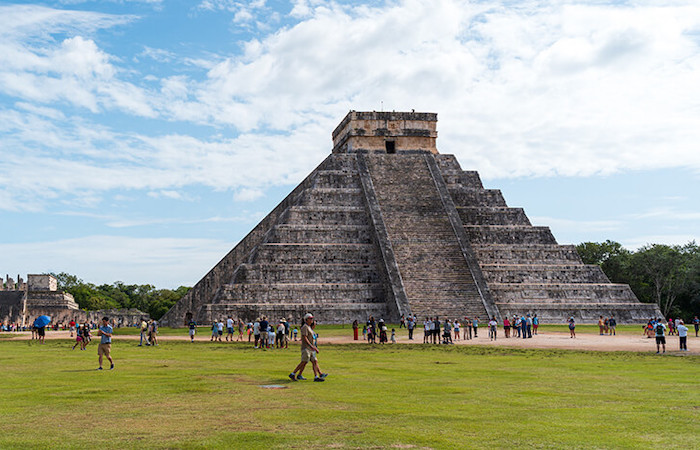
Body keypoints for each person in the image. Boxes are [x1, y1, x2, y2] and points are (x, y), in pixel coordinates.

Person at [289, 313, 327, 382]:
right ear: (306, 320)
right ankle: (293, 373)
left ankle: (316, 376)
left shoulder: (309, 327)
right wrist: (312, 346)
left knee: (315, 361)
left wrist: (314, 347)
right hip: (306, 348)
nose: (312, 320)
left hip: (311, 348)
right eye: (310, 318)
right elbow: (305, 338)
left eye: (312, 318)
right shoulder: (305, 327)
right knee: (304, 361)